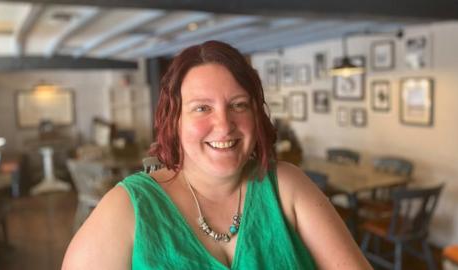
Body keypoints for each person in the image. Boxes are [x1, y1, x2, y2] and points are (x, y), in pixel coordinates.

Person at [62, 40, 371, 269]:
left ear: (256, 114)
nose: (224, 126)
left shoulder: (287, 186)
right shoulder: (129, 207)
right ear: (175, 119)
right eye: (202, 108)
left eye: (238, 105)